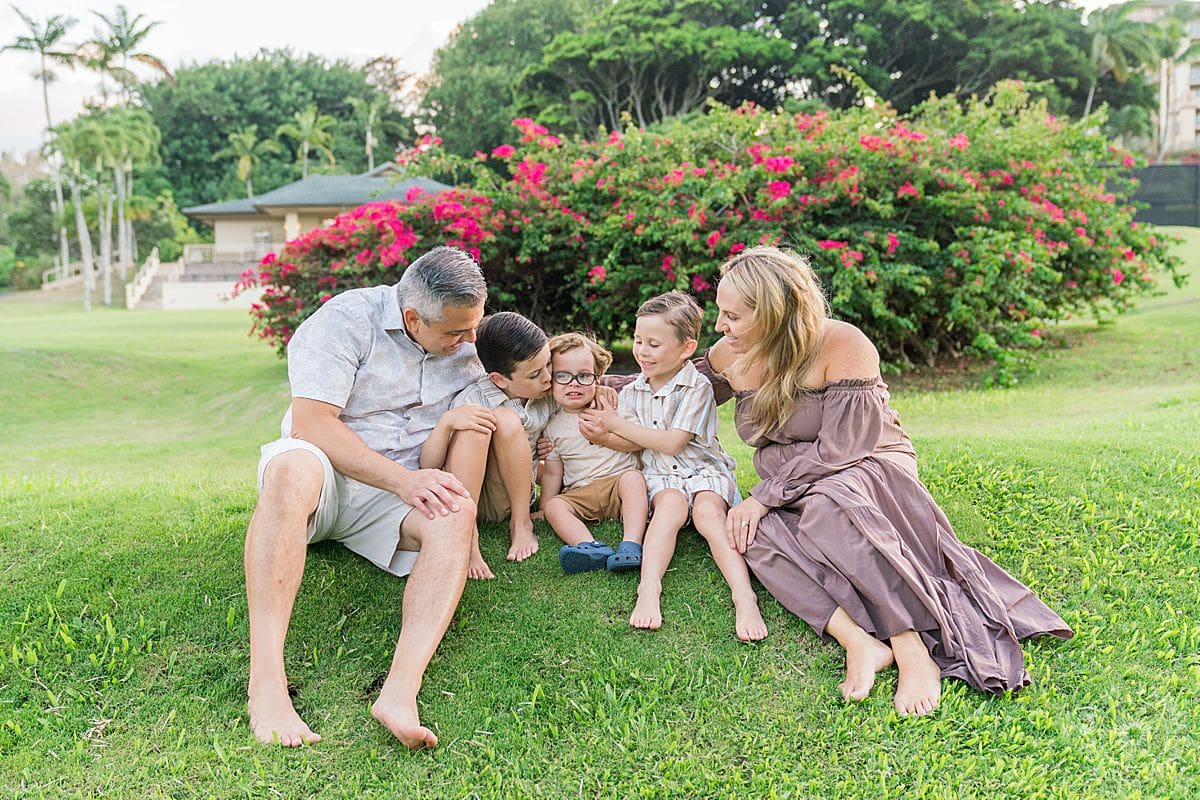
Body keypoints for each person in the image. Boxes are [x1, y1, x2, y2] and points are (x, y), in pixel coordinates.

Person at [708, 245, 1073, 716]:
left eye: (732, 316)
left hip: (867, 460)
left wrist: (764, 496)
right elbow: (664, 384)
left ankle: (909, 644)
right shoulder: (731, 353)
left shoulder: (842, 344)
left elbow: (843, 448)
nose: (719, 326)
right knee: (753, 535)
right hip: (795, 477)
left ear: (774, 313)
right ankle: (858, 641)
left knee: (829, 508)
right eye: (720, 312)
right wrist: (607, 390)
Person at [245, 246, 492, 749]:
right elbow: (313, 425)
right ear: (412, 318)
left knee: (456, 511)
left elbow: (532, 379)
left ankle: (399, 693)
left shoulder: (466, 337)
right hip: (324, 472)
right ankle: (266, 686)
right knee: (290, 470)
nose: (471, 341)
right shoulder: (345, 321)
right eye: (456, 332)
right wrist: (404, 482)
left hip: (394, 492)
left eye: (474, 326)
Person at [579, 292, 768, 641]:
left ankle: (744, 596)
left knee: (709, 514)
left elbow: (673, 442)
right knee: (668, 509)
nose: (642, 351)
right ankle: (649, 589)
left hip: (704, 469)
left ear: (686, 348)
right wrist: (605, 437)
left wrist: (614, 424)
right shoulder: (633, 391)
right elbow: (637, 442)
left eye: (654, 344)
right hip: (663, 474)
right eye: (638, 341)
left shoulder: (697, 387)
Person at [421, 312, 554, 578]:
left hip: (513, 494)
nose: (548, 377)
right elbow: (429, 465)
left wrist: (603, 391)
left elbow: (581, 383)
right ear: (499, 379)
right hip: (471, 495)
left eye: (549, 364)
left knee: (505, 419)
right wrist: (447, 423)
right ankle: (467, 535)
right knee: (499, 419)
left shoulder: (547, 394)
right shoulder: (473, 399)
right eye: (535, 374)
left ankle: (521, 524)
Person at [540, 333, 650, 574]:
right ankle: (589, 547)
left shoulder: (612, 407)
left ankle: (631, 544)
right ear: (550, 380)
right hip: (581, 492)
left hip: (618, 484)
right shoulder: (553, 425)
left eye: (584, 376)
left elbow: (637, 443)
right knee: (555, 507)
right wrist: (545, 505)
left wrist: (606, 436)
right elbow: (552, 472)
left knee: (633, 479)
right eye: (562, 376)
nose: (574, 383)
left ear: (597, 379)